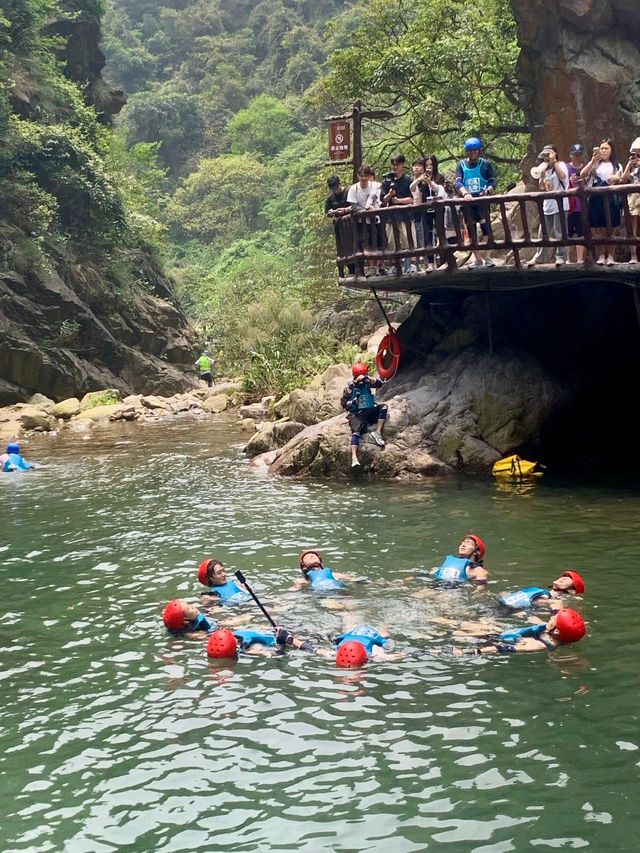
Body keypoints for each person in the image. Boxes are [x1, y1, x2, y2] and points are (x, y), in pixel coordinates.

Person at [453, 609, 586, 655]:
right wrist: (524, 613)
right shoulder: (550, 631)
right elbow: (536, 623)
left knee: (453, 631)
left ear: (556, 631)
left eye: (554, 618)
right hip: (500, 631)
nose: (551, 617)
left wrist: (472, 652)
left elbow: (503, 648)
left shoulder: (539, 645)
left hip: (492, 638)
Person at [580, 138, 623, 265]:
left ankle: (610, 255)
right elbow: (582, 174)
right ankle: (600, 255)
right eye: (602, 148)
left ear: (611, 150)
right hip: (596, 199)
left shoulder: (616, 165)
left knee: (611, 228)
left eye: (606, 148)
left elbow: (620, 178)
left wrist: (616, 178)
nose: (603, 151)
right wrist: (593, 160)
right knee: (598, 228)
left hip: (611, 199)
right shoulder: (595, 164)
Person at [455, 137, 496, 268]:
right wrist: (465, 193)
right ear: (467, 151)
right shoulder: (461, 165)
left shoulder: (486, 164)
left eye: (475, 150)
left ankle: (488, 257)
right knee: (472, 232)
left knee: (486, 230)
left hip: (482, 203)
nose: (473, 153)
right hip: (468, 204)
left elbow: (491, 181)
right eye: (470, 151)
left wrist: (488, 191)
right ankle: (477, 258)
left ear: (479, 151)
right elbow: (458, 181)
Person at [527, 145, 569, 268]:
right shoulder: (545, 170)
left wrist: (554, 162)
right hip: (548, 205)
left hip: (560, 205)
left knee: (559, 232)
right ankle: (539, 257)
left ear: (555, 154)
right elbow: (542, 187)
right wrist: (541, 176)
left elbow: (562, 177)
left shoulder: (561, 165)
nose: (546, 157)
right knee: (543, 233)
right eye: (544, 155)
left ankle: (561, 257)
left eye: (548, 154)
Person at [340, 362, 388, 468]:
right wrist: (353, 402)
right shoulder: (349, 387)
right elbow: (343, 404)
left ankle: (377, 433)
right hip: (356, 413)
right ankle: (354, 458)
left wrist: (368, 378)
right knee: (356, 433)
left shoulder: (367, 382)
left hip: (369, 409)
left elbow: (380, 384)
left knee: (383, 407)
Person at [379, 153, 415, 274]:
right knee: (391, 242)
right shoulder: (387, 181)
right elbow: (382, 200)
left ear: (402, 165)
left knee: (408, 239)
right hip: (391, 217)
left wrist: (398, 201)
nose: (395, 167)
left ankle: (412, 264)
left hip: (405, 215)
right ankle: (395, 264)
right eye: (393, 165)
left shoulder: (408, 180)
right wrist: (390, 195)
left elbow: (412, 198)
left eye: (397, 164)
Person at [410, 155, 446, 273]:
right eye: (427, 165)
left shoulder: (439, 177)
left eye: (431, 164)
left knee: (440, 232)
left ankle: (444, 261)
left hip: (438, 208)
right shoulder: (422, 178)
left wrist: (430, 182)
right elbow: (412, 187)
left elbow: (440, 191)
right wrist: (420, 179)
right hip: (426, 209)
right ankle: (430, 263)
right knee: (427, 234)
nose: (429, 167)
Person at [498, 570, 585, 611]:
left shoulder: (555, 602)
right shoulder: (540, 591)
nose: (563, 577)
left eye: (569, 578)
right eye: (564, 575)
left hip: (506, 612)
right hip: (498, 605)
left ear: (572, 591)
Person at [292, 549, 363, 591]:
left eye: (314, 555)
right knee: (337, 607)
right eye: (307, 557)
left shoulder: (335, 575)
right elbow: (294, 592)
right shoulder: (304, 581)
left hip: (342, 592)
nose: (311, 555)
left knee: (352, 609)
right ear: (304, 566)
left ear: (320, 562)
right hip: (325, 595)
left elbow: (354, 580)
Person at [621, 137, 640, 263]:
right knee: (632, 228)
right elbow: (623, 179)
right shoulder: (632, 165)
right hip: (633, 197)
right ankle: (634, 256)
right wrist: (629, 165)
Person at [566, 144, 586, 264]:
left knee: (581, 233)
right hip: (569, 205)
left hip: (582, 205)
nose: (577, 157)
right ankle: (568, 259)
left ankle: (579, 259)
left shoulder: (586, 169)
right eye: (575, 154)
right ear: (570, 155)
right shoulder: (566, 168)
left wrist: (582, 180)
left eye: (579, 154)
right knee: (567, 233)